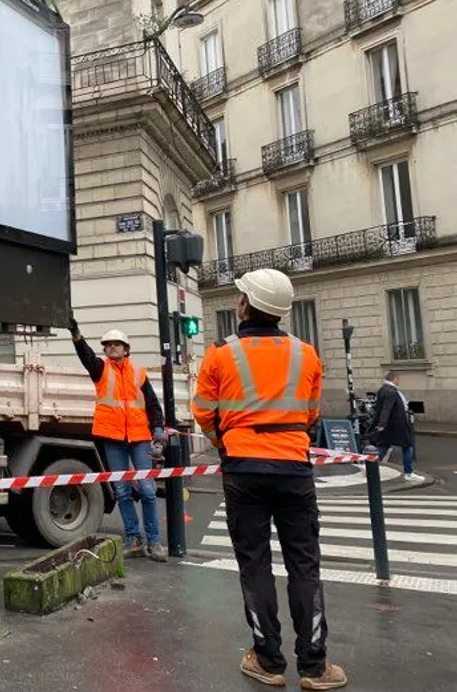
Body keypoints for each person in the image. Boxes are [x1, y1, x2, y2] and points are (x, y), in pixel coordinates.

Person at [193, 269, 346, 690]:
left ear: (244, 305)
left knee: (255, 564)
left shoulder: (221, 353)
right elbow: (312, 413)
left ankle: (268, 660)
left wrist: (225, 441)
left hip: (243, 468)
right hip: (294, 467)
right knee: (304, 566)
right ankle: (315, 667)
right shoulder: (306, 354)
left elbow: (204, 412)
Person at [68, 317, 167, 562]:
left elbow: (153, 404)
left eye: (117, 344)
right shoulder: (101, 369)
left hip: (139, 437)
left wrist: (157, 428)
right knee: (122, 492)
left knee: (147, 490)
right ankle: (134, 540)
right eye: (108, 344)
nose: (112, 347)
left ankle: (154, 542)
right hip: (113, 438)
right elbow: (86, 356)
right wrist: (76, 335)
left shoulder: (138, 373)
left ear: (126, 349)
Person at [372, 371, 423, 482]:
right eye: (398, 379)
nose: (399, 381)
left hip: (389, 425)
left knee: (383, 446)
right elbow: (386, 408)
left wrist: (382, 424)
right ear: (394, 379)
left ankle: (370, 468)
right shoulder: (392, 392)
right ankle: (408, 473)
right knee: (408, 446)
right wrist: (382, 423)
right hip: (398, 424)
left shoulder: (383, 389)